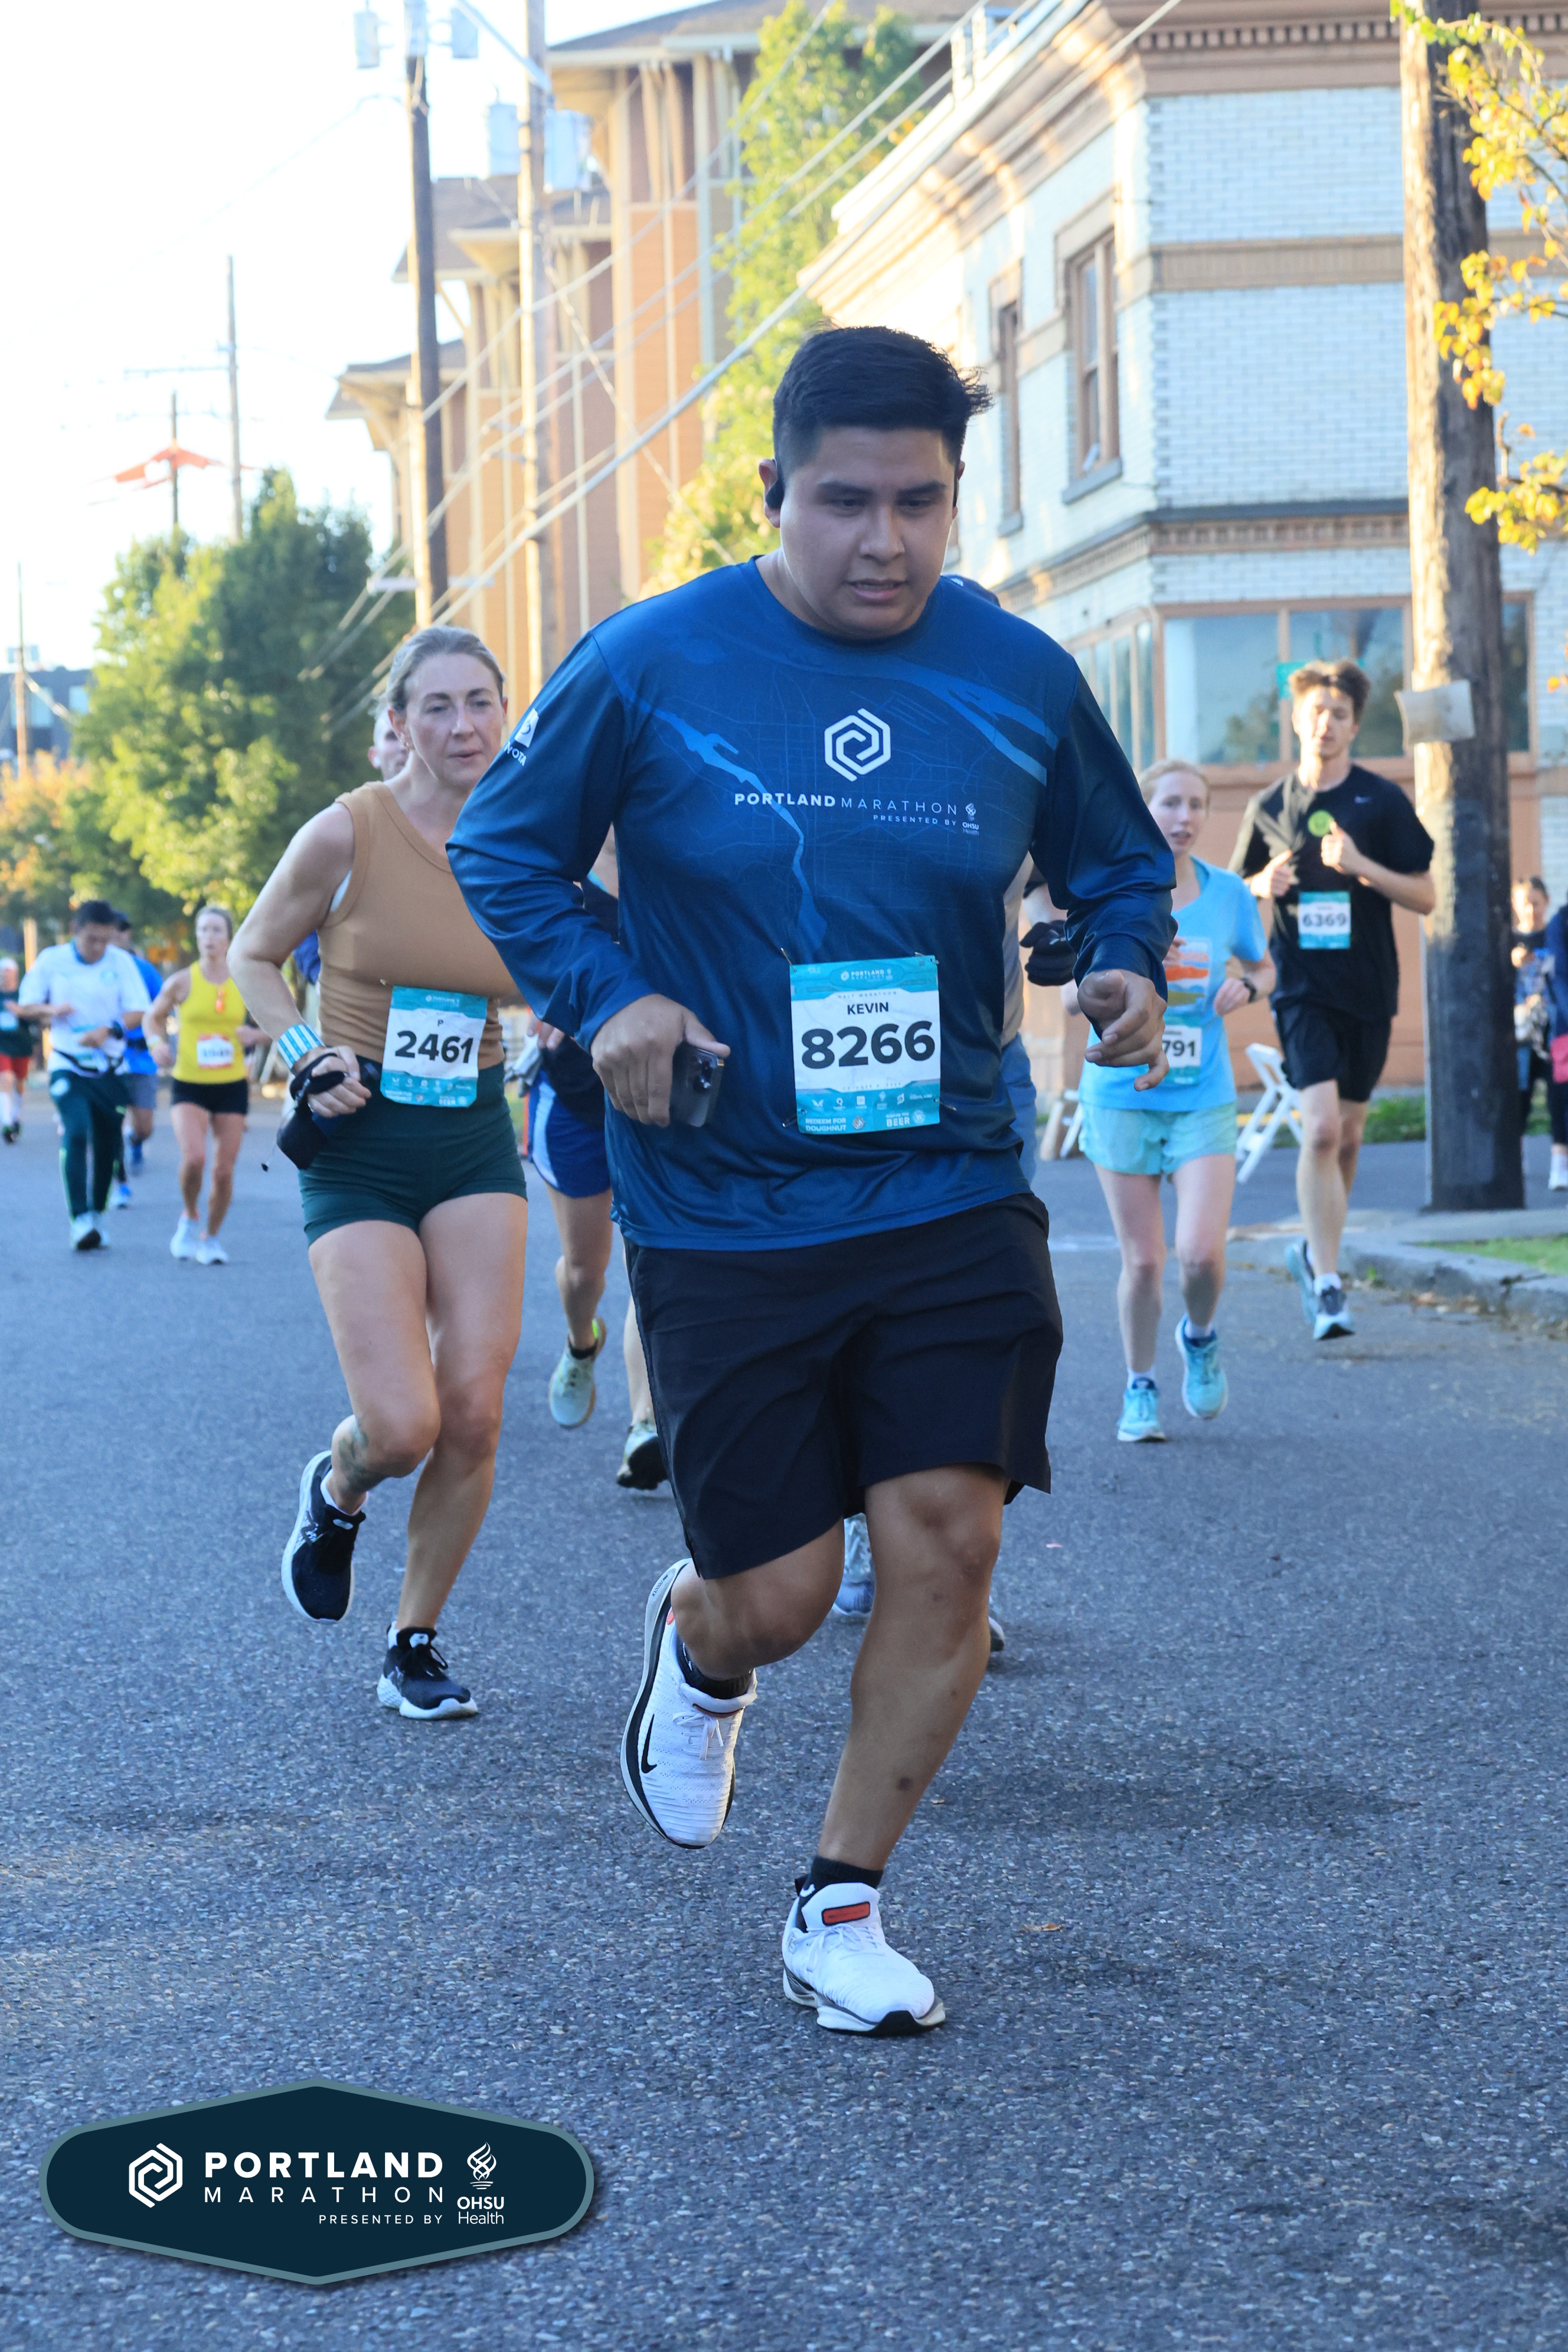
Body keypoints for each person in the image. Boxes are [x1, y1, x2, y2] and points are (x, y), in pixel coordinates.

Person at [450, 325, 1173, 2034]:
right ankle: (701, 1647)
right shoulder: (652, 660)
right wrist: (608, 994)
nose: (885, 540)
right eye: (845, 501)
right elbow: (504, 847)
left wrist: (1125, 963)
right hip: (723, 1196)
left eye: (921, 501)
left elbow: (1119, 862)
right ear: (775, 491)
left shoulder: (1016, 672)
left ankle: (838, 1902)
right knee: (776, 1597)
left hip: (948, 1178)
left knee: (948, 1537)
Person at [228, 625, 528, 1723]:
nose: (463, 725)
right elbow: (253, 954)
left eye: (480, 702)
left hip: (474, 1137)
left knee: (475, 1411)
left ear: (504, 710)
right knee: (402, 1424)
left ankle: (414, 1639)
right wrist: (308, 1051)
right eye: (436, 706)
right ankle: (339, 1484)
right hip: (358, 1143)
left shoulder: (530, 837)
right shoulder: (347, 831)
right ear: (399, 722)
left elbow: (576, 953)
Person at [1069, 759, 1274, 1440]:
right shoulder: (1108, 893)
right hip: (1121, 1092)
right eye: (1169, 803)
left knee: (1201, 1254)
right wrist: (1110, 981)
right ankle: (1140, 1385)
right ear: (1142, 809)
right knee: (1145, 1261)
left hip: (1201, 1094)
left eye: (1195, 805)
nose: (1184, 818)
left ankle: (1200, 1335)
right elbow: (1068, 995)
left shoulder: (1229, 895)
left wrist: (1248, 986)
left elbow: (1264, 965)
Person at [1231, 660, 1435, 1341]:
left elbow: (1426, 895)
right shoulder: (1268, 807)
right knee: (1319, 1130)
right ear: (1297, 719)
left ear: (1354, 725)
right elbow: (1235, 893)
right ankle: (1327, 1283)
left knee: (1347, 1137)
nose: (1326, 723)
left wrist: (1361, 867)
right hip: (1300, 989)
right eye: (1316, 711)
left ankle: (1314, 1251)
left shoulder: (1381, 800)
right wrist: (1261, 884)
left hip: (1368, 988)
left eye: (1339, 714)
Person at [521, 855, 664, 1488]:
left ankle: (644, 1425)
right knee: (586, 1271)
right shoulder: (561, 865)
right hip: (576, 1101)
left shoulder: (674, 857)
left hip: (655, 1097)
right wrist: (538, 989)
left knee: (649, 1259)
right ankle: (582, 1341)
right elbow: (510, 940)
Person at [16, 900, 151, 1249]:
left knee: (107, 1145)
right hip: (68, 1062)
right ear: (75, 930)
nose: (99, 948)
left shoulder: (121, 962)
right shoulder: (52, 960)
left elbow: (139, 1010)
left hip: (110, 1068)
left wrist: (109, 1029)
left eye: (105, 940)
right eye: (92, 939)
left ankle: (96, 1215)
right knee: (76, 1131)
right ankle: (79, 1219)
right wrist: (51, 1009)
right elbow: (25, 1006)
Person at [143, 906, 264, 1265]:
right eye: (202, 930)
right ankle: (189, 1214)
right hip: (189, 1083)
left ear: (229, 937)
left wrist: (255, 1035)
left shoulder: (245, 980)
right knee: (195, 1158)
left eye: (215, 930)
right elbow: (152, 1017)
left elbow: (277, 1023)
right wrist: (156, 1043)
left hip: (231, 1085)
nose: (208, 937)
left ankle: (210, 1238)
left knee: (224, 1171)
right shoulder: (182, 981)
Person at [1511, 877, 1566, 1187]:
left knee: (1559, 1095)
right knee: (1519, 1096)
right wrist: (1511, 963)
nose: (1531, 910)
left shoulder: (1554, 934)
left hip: (1553, 1027)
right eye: (1525, 903)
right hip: (1520, 1033)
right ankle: (1514, 1161)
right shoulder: (1508, 939)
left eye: (1536, 903)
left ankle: (1560, 1163)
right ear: (1515, 905)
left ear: (1546, 902)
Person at [109, 913, 166, 1203]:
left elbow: (161, 1008)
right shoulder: (99, 970)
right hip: (110, 1058)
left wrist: (158, 1042)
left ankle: (135, 1141)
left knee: (144, 1126)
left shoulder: (144, 970)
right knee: (112, 1122)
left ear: (127, 934)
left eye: (119, 931)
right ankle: (120, 1183)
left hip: (142, 1057)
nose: (114, 937)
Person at [1541, 884, 1568, 1193]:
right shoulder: (1560, 923)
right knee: (1562, 1095)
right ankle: (1561, 1163)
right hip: (1566, 1027)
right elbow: (1560, 977)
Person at [0, 956, 35, 1141]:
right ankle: (6, 1124)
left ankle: (16, 1116)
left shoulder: (23, 995)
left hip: (21, 1045)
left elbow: (35, 1017)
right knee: (5, 1079)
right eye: (3, 973)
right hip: (2, 1045)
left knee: (19, 1084)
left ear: (15, 974)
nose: (5, 976)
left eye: (9, 973)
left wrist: (21, 1012)